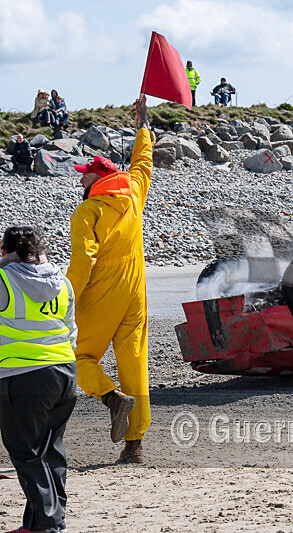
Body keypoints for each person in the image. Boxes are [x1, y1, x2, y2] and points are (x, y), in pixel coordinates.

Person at [67, 96, 154, 464]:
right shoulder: (133, 193)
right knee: (134, 361)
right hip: (135, 294)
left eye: (85, 174)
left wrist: (65, 298)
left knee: (77, 357)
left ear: (99, 178)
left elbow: (83, 261)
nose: (81, 178)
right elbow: (143, 162)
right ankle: (134, 445)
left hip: (101, 294)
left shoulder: (87, 211)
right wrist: (143, 124)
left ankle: (110, 396)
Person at [0, 225, 78, 533]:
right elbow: (71, 328)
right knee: (51, 450)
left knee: (27, 452)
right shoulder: (61, 280)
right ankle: (46, 521)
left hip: (22, 374)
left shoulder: (4, 278)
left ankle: (46, 524)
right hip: (64, 372)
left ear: (4, 251)